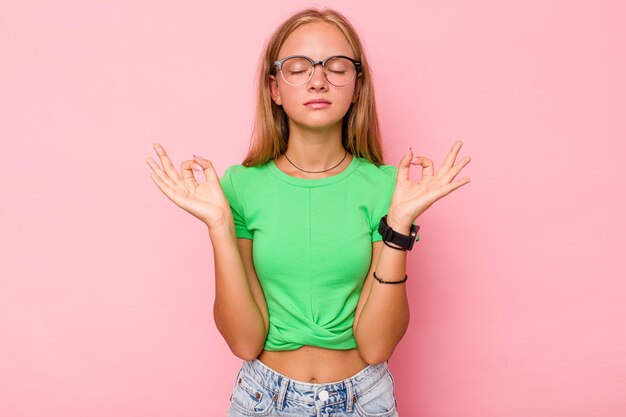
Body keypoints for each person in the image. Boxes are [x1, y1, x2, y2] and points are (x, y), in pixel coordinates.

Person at [145, 7, 471, 417]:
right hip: (263, 399)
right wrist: (220, 226)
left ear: (356, 86)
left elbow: (376, 346)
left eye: (336, 67)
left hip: (365, 399)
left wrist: (399, 225)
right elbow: (245, 342)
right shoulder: (240, 186)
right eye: (298, 68)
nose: (318, 80)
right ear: (275, 89)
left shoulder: (390, 187)